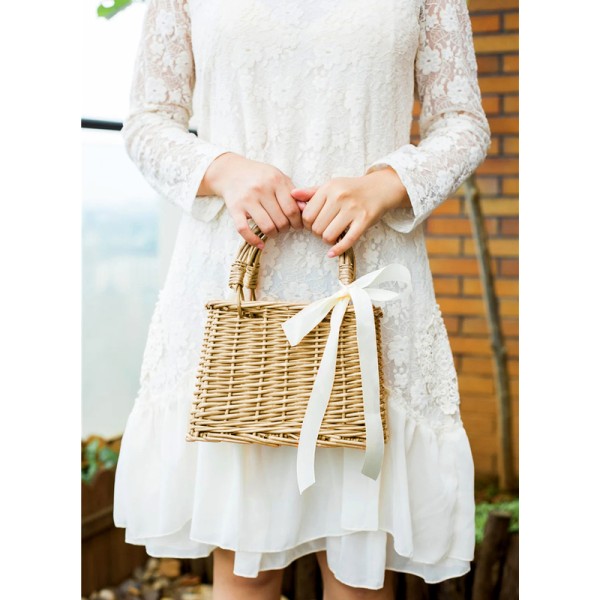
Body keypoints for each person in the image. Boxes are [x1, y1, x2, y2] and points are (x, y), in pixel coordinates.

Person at [113, 0, 491, 597]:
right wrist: (224, 170)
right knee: (247, 564)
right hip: (235, 291)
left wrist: (384, 184)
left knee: (358, 570)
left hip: (368, 294)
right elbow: (147, 121)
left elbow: (463, 124)